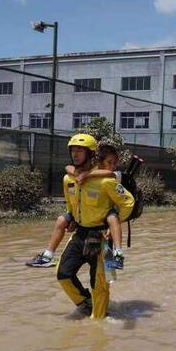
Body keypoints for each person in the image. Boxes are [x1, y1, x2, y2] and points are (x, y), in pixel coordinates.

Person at [56, 133, 135, 319]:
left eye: (80, 151)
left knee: (100, 283)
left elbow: (128, 203)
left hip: (102, 238)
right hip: (80, 235)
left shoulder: (106, 181)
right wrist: (73, 219)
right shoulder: (68, 179)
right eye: (73, 150)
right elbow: (71, 203)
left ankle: (99, 321)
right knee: (63, 274)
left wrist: (114, 221)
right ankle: (85, 302)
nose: (75, 154)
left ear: (90, 154)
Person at [25, 143, 124, 269]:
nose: (113, 166)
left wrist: (86, 175)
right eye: (109, 162)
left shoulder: (114, 176)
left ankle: (118, 254)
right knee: (64, 274)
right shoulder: (73, 178)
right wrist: (73, 218)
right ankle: (47, 255)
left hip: (105, 224)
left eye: (115, 163)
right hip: (83, 227)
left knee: (104, 280)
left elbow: (109, 176)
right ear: (98, 162)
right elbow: (68, 167)